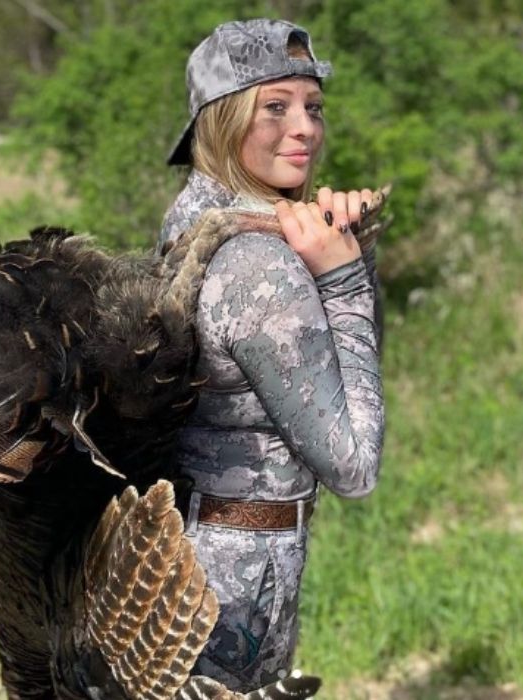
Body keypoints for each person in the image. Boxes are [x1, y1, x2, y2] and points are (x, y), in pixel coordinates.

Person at [159, 19, 385, 690]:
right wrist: (343, 279)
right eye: (276, 108)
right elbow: (354, 466)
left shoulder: (191, 219)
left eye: (314, 107)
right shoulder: (258, 264)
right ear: (223, 119)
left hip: (188, 556)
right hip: (236, 583)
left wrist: (351, 248)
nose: (305, 128)